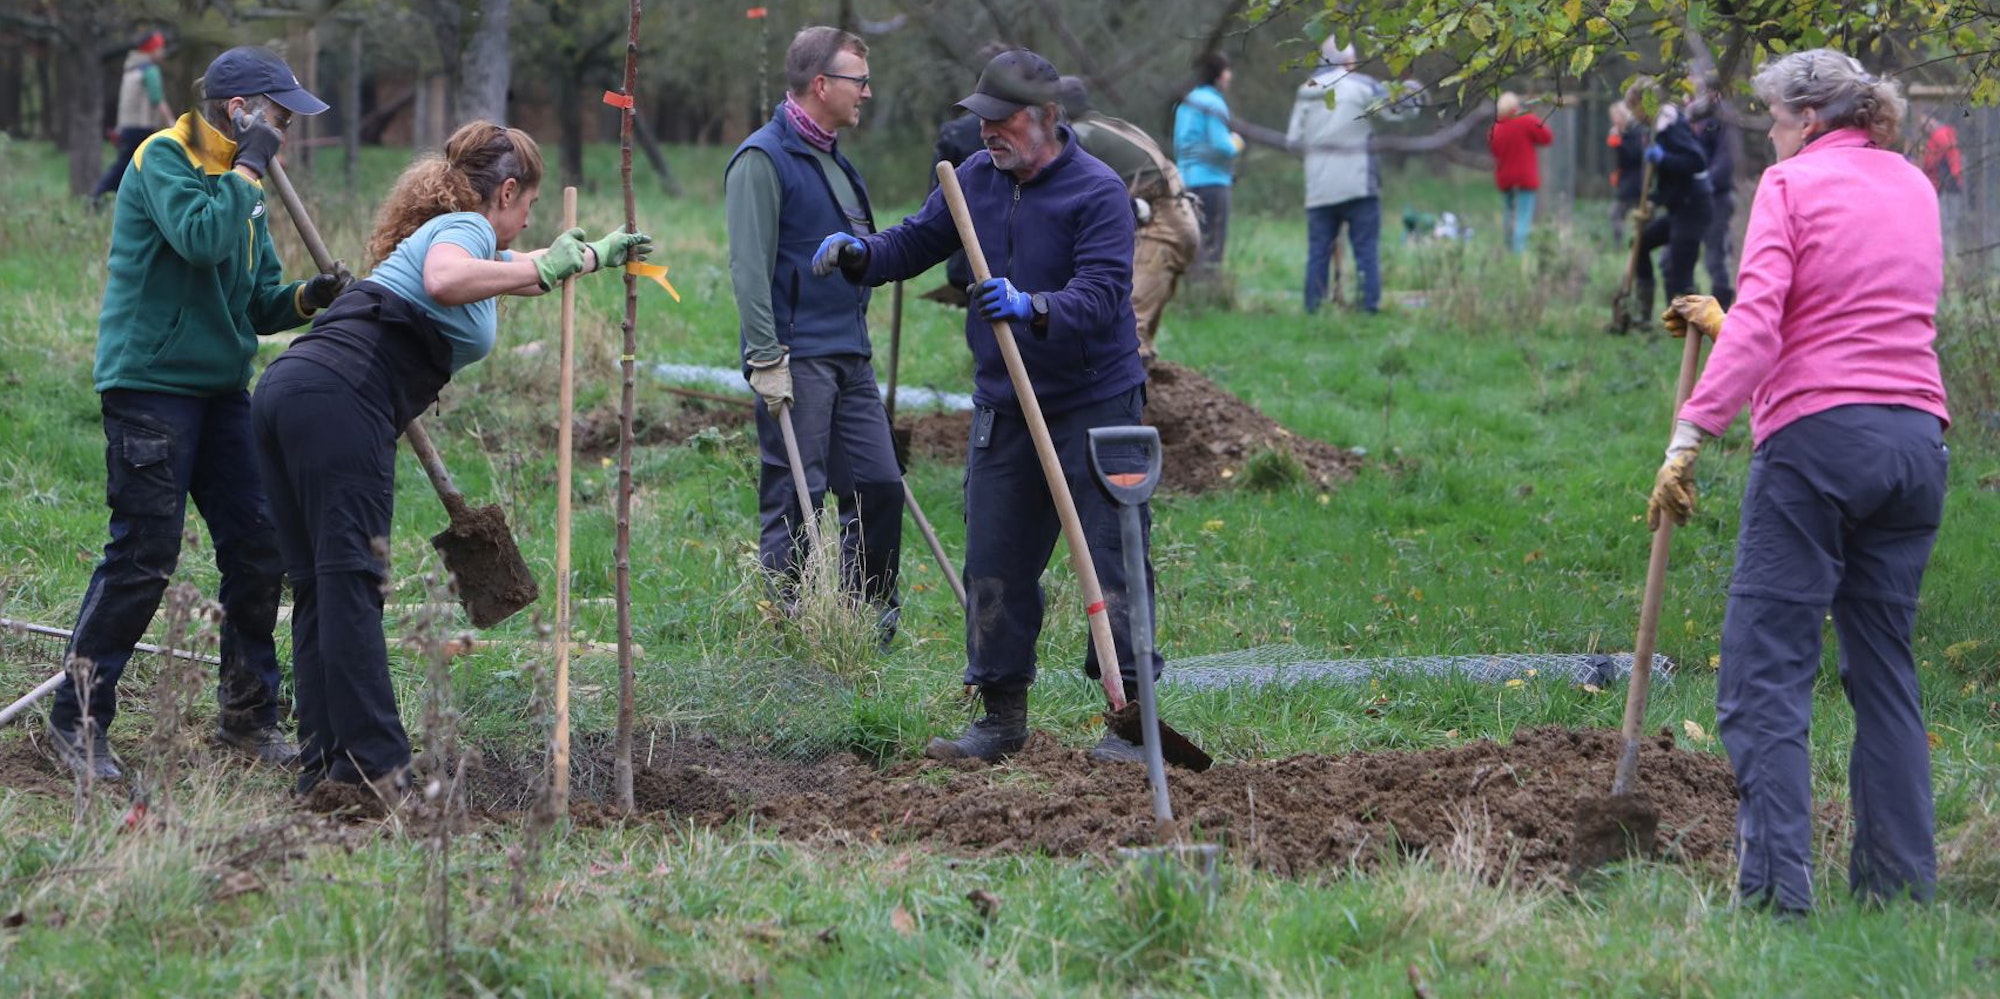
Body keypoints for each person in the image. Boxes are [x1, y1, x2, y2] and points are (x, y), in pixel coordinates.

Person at [252, 123, 649, 797]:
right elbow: (447, 279)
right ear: (508, 192)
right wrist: (544, 264)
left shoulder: (448, 235)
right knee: (351, 583)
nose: (527, 228)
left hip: (289, 392)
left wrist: (584, 260)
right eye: (527, 212)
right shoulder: (461, 229)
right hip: (342, 399)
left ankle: (329, 768)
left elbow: (494, 281)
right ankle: (381, 767)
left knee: (322, 588)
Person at [1651, 49, 1948, 914]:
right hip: (1914, 444)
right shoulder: (1913, 185)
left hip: (1817, 446)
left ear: (1808, 119)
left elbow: (1768, 331)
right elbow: (1855, 302)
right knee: (1885, 675)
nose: (1772, 138)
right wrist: (1731, 311)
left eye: (1776, 122)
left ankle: (1777, 895)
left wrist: (1689, 434)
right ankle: (1899, 895)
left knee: (1763, 677)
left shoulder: (1789, 188)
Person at [809, 48, 1161, 764]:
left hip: (1096, 402)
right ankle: (1001, 716)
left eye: (1003, 121)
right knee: (993, 557)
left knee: (1116, 560)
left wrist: (1033, 306)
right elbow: (914, 241)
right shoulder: (974, 178)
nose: (989, 132)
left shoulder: (1098, 194)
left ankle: (1133, 719)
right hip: (1006, 402)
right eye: (983, 120)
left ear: (1047, 118)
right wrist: (861, 256)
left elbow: (1098, 298)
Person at [48, 46, 346, 781]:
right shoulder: (165, 158)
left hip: (218, 391)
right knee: (146, 553)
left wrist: (312, 297)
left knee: (259, 545)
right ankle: (74, 723)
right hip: (149, 384)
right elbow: (201, 238)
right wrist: (248, 170)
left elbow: (257, 299)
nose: (286, 130)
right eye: (278, 115)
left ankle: (247, 716)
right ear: (239, 110)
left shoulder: (246, 186)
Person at [724, 26, 904, 646]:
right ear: (821, 85)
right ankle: (787, 630)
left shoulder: (832, 159)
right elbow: (749, 266)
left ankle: (864, 622)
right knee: (797, 498)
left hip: (850, 355)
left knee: (880, 485)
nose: (868, 93)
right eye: (859, 81)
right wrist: (765, 355)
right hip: (797, 357)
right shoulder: (762, 159)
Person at [1058, 75, 1199, 359]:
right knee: (1138, 327)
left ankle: (1135, 401)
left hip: (1158, 225)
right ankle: (1147, 396)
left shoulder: (1080, 137)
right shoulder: (1112, 126)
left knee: (1127, 328)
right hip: (1180, 219)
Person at [1288, 36, 1418, 314]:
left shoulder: (1306, 91)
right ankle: (1368, 308)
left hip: (1319, 188)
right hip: (1359, 185)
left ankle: (1314, 310)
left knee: (1318, 253)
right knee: (1365, 252)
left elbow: (1293, 141)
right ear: (1349, 62)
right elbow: (1400, 111)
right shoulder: (1361, 86)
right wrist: (1413, 92)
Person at [1627, 94, 1712, 328]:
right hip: (1677, 206)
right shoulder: (1655, 130)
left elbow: (1696, 161)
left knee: (1679, 266)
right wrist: (1654, 200)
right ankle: (1643, 314)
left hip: (1694, 206)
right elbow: (1670, 181)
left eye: (1634, 109)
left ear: (1645, 106)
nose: (1633, 116)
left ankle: (1684, 327)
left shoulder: (1672, 126)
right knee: (1640, 243)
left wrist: (1664, 159)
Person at [1173, 51, 1241, 277]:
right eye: (1228, 71)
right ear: (1220, 75)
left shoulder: (1186, 103)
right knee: (1212, 244)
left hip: (1185, 181)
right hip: (1212, 183)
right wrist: (1237, 142)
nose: (1230, 76)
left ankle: (1191, 294)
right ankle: (1210, 293)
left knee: (1192, 242)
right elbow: (1222, 146)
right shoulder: (1214, 103)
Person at [90, 30, 176, 202]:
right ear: (151, 50)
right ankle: (98, 198)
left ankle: (103, 198)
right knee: (129, 168)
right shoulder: (149, 70)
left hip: (127, 128)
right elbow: (158, 100)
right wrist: (172, 123)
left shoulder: (131, 68)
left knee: (128, 168)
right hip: (141, 128)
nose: (162, 52)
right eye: (160, 48)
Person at [1688, 73, 1742, 308]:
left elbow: (1725, 160)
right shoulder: (1692, 117)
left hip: (1717, 197)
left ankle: (1723, 316)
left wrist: (1703, 183)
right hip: (1693, 198)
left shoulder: (1723, 118)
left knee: (1715, 258)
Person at [1488, 92, 1554, 254]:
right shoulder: (1526, 120)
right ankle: (1519, 252)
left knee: (1509, 213)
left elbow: (1494, 151)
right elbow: (1547, 137)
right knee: (1523, 215)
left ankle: (1509, 247)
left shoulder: (1495, 127)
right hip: (1525, 177)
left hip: (1505, 178)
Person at [1607, 96, 1647, 245]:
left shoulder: (1636, 131)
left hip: (1636, 182)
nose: (1613, 120)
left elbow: (1636, 155)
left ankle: (1630, 244)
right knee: (1638, 215)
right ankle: (1634, 243)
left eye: (1615, 116)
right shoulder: (1623, 132)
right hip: (1627, 180)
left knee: (1617, 213)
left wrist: (1619, 143)